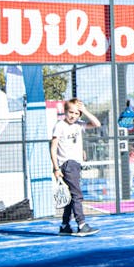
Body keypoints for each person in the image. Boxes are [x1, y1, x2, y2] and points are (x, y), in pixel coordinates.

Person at [50, 98, 101, 236]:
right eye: (70, 112)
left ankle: (65, 225)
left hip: (75, 164)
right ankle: (82, 224)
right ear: (65, 112)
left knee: (70, 197)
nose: (73, 115)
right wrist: (56, 168)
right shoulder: (60, 125)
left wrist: (84, 110)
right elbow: (53, 147)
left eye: (76, 113)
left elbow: (97, 123)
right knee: (77, 195)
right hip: (68, 164)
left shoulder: (79, 124)